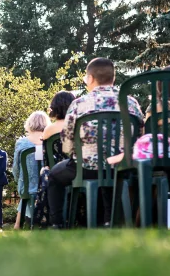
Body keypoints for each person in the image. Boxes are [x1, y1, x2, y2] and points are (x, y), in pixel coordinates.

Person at [47, 58, 143, 228]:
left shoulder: (79, 104)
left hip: (85, 169)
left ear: (90, 78)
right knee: (109, 173)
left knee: (54, 175)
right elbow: (140, 137)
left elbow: (67, 144)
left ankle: (57, 224)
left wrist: (76, 154)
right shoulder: (131, 103)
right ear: (113, 78)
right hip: (123, 167)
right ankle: (109, 221)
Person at [33, 91, 77, 229]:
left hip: (57, 174)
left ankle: (51, 220)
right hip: (77, 170)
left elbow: (43, 158)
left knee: (44, 171)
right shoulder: (78, 126)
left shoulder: (49, 130)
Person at [12, 112, 50, 229]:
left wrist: (19, 180)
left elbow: (16, 169)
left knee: (27, 191)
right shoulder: (49, 139)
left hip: (26, 186)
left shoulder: (21, 143)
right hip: (46, 185)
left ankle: (18, 224)